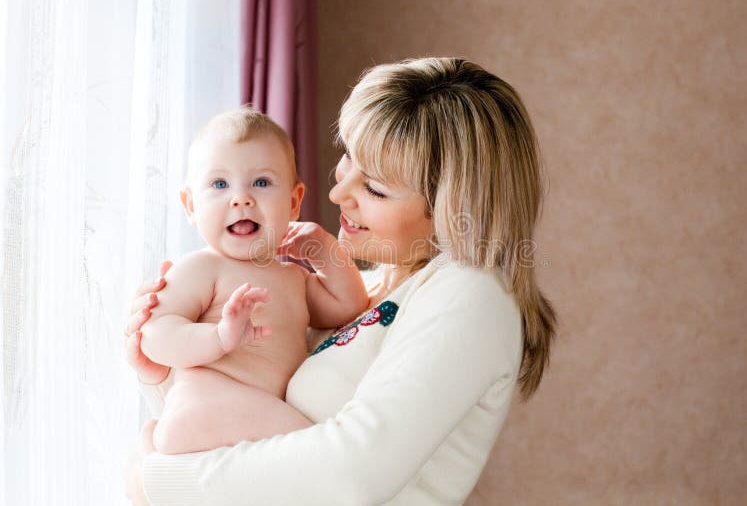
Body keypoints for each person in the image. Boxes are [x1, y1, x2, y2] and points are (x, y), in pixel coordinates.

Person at [124, 57, 557, 505]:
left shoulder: (469, 295)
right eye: (348, 156)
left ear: (452, 210)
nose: (336, 193)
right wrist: (158, 376)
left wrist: (157, 483)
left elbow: (354, 472)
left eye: (375, 188)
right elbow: (234, 436)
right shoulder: (367, 292)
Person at [138, 108, 369, 455]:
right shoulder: (199, 268)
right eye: (219, 184)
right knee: (321, 450)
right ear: (190, 205)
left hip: (250, 424)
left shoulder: (293, 277)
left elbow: (347, 305)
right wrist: (218, 338)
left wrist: (325, 250)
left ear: (293, 203)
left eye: (261, 182)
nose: (241, 198)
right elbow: (155, 335)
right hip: (209, 401)